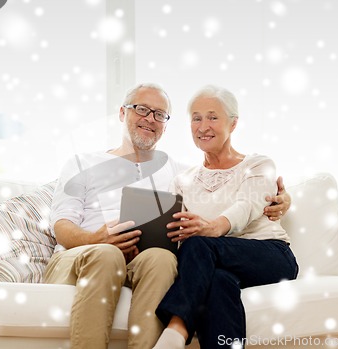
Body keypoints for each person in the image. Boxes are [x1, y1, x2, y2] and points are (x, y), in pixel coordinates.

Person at [43, 83, 291, 349]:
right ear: (121, 113)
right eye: (141, 109)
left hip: (139, 260)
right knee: (107, 253)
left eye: (159, 114)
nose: (150, 119)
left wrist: (283, 199)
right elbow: (62, 227)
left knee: (162, 258)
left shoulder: (176, 172)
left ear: (165, 125)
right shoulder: (82, 163)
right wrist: (97, 238)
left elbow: (229, 182)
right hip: (85, 255)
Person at [153, 85, 299, 349]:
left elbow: (247, 206)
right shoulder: (182, 180)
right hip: (217, 265)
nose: (203, 125)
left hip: (269, 256)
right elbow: (176, 233)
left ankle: (176, 329)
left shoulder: (257, 164)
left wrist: (210, 228)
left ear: (233, 124)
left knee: (198, 243)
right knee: (219, 282)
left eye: (212, 117)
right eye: (196, 118)